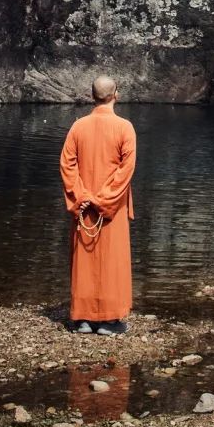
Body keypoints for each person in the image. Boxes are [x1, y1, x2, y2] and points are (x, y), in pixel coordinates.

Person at [59, 74, 137, 334]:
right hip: (111, 206)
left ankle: (83, 319)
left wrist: (82, 197)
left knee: (85, 260)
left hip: (84, 207)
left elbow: (67, 165)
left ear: (91, 96)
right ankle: (109, 321)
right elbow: (126, 170)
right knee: (112, 260)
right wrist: (104, 199)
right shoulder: (125, 127)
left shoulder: (78, 127)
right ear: (117, 95)